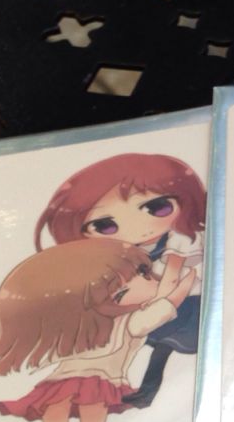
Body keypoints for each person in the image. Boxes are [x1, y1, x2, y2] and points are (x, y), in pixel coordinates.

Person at [0, 237, 196, 422]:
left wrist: (177, 267)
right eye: (144, 275)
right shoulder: (130, 322)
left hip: (57, 385)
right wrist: (187, 274)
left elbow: (161, 297)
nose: (152, 278)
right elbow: (167, 301)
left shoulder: (81, 327)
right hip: (96, 385)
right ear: (117, 294)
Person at [34, 152, 207, 408]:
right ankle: (142, 393)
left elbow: (172, 276)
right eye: (105, 225)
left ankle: (150, 392)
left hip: (187, 303)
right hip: (158, 303)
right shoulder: (127, 252)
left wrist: (155, 304)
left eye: (157, 207)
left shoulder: (181, 238)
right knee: (157, 347)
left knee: (166, 346)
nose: (138, 227)